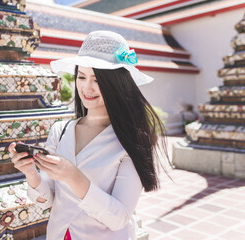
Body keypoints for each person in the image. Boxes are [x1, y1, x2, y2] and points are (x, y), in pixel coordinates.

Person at [9, 30, 167, 240]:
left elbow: (119, 217)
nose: (87, 87)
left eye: (97, 79)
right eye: (81, 76)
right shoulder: (60, 130)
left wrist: (73, 177)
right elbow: (47, 200)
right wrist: (31, 173)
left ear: (116, 84)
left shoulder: (132, 140)